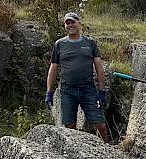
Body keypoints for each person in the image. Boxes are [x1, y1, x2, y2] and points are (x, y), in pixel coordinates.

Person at [44, 12, 110, 142]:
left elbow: (98, 67)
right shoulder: (59, 44)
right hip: (68, 91)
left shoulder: (90, 43)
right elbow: (53, 68)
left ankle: (109, 150)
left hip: (88, 90)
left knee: (100, 125)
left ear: (79, 23)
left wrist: (102, 91)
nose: (70, 25)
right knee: (70, 126)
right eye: (67, 23)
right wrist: (49, 92)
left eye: (72, 22)